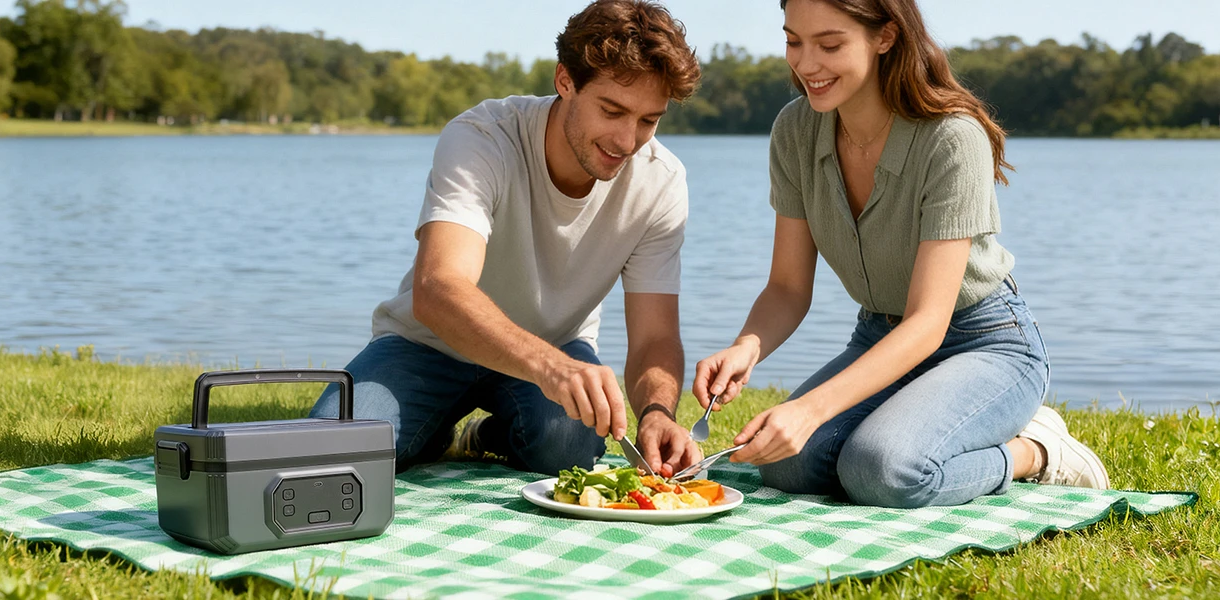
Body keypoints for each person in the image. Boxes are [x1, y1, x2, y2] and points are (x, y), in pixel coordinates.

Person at [691, 0, 1110, 508]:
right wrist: (746, 348)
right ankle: (907, 429)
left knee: (882, 471)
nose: (806, 64)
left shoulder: (952, 138)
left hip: (982, 342)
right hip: (879, 336)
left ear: (885, 36)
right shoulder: (795, 131)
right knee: (786, 463)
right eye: (793, 41)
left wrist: (811, 410)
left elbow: (928, 322)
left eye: (829, 44)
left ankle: (1036, 450)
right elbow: (787, 287)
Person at [310, 0, 704, 478]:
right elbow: (438, 288)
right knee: (330, 450)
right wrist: (549, 368)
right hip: (429, 345)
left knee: (568, 446)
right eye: (612, 110)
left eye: (648, 121)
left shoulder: (661, 182)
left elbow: (655, 337)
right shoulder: (482, 138)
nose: (627, 141)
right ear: (565, 81)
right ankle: (430, 430)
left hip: (557, 346)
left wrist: (658, 413)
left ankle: (488, 436)